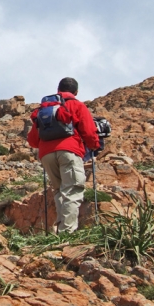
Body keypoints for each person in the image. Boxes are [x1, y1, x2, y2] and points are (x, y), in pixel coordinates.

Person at [27, 77, 100, 233]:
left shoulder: (44, 109)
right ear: (76, 92)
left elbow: (33, 140)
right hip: (69, 151)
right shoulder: (76, 105)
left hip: (46, 155)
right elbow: (89, 131)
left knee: (59, 190)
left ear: (58, 89)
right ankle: (67, 232)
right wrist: (95, 147)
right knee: (72, 189)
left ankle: (61, 230)